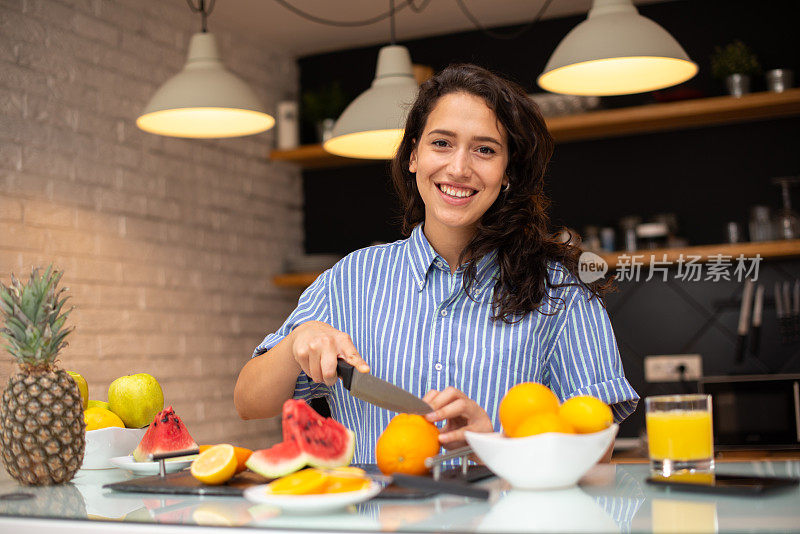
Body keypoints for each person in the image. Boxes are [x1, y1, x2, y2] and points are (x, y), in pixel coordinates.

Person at [234, 64, 638, 464]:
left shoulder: (561, 291)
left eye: (485, 149)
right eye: (441, 143)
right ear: (413, 155)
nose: (459, 168)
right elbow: (248, 401)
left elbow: (598, 448)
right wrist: (296, 342)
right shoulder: (350, 280)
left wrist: (495, 444)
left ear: (507, 172)